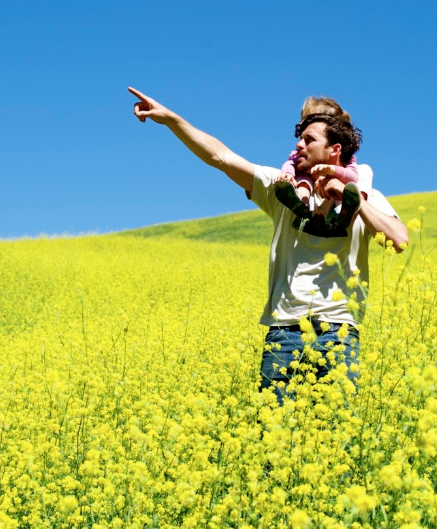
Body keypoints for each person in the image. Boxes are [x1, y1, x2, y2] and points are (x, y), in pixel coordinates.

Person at [128, 87, 408, 403]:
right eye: (299, 137)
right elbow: (220, 157)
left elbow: (399, 240)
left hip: (338, 334)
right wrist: (171, 120)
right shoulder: (280, 186)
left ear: (334, 148)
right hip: (285, 333)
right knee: (274, 436)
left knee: (332, 438)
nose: (297, 145)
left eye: (308, 139)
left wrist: (352, 201)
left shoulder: (366, 194)